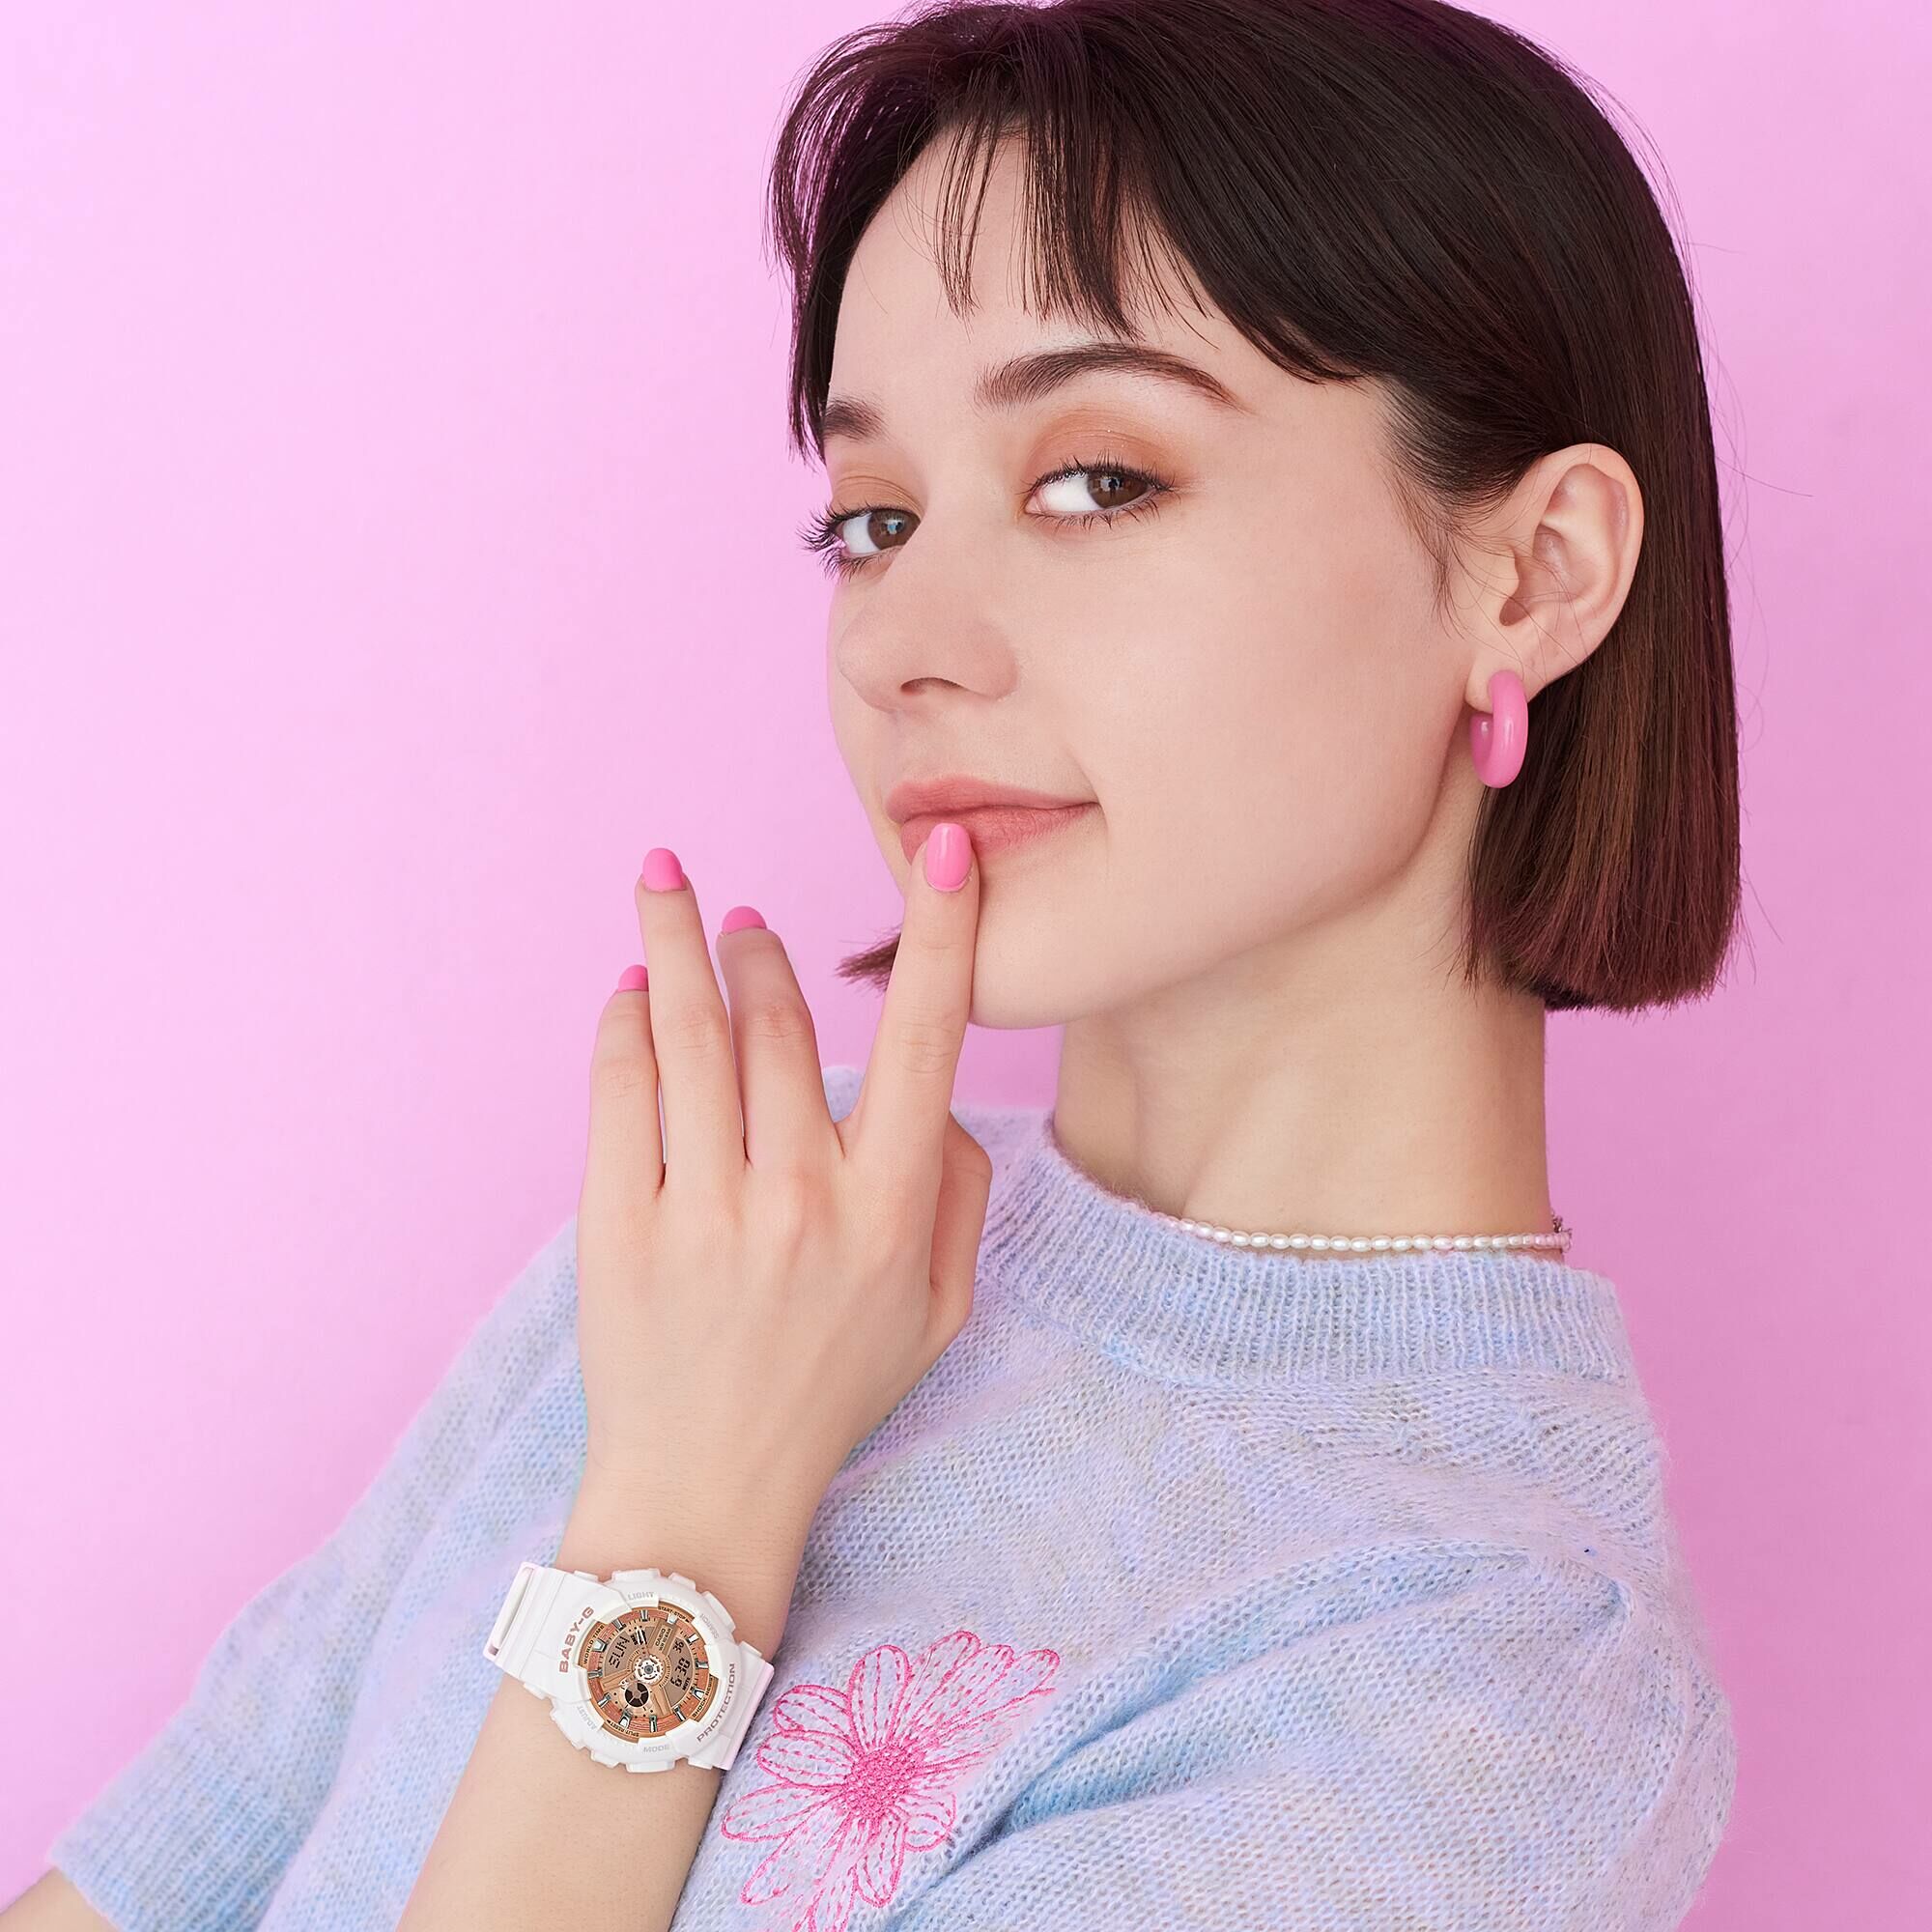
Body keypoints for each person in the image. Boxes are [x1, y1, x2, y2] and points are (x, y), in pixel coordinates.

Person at [18, 1, 1740, 1926]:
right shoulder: (757, 1225)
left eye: (1098, 480)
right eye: (874, 518)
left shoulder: (1490, 1678)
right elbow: (170, 1856)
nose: (905, 640)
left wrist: (687, 1520)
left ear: (1533, 571)